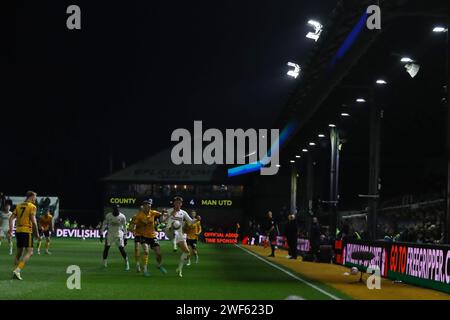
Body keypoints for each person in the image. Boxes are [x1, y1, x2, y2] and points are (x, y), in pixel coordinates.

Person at [9, 191, 41, 280]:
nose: (35, 199)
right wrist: (37, 234)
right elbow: (34, 222)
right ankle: (17, 270)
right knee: (30, 252)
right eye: (34, 197)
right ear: (30, 197)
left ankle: (16, 270)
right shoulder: (32, 207)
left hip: (18, 231)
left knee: (19, 253)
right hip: (27, 231)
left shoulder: (18, 206)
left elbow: (11, 218)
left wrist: (11, 230)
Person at [163, 196, 197, 277]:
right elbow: (163, 220)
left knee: (187, 252)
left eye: (179, 202)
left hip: (179, 233)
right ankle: (174, 245)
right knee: (176, 224)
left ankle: (179, 269)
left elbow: (191, 222)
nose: (177, 204)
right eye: (176, 202)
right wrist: (168, 215)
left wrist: (197, 219)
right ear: (174, 203)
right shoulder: (169, 210)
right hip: (169, 231)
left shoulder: (183, 213)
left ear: (181, 204)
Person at [139, 199, 167, 276]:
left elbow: (162, 218)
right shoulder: (139, 216)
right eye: (148, 206)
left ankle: (159, 265)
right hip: (143, 236)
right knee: (146, 251)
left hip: (152, 236)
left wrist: (163, 214)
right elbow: (141, 223)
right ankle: (145, 270)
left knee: (159, 254)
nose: (149, 207)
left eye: (150, 206)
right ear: (144, 207)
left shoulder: (153, 212)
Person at [100, 204, 129, 271]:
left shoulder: (122, 216)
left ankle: (126, 262)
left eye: (117, 208)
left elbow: (124, 227)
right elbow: (104, 224)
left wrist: (125, 237)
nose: (116, 209)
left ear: (119, 209)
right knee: (106, 248)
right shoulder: (108, 215)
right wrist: (101, 234)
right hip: (110, 234)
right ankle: (104, 263)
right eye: (115, 208)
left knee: (121, 249)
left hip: (118, 234)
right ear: (113, 209)